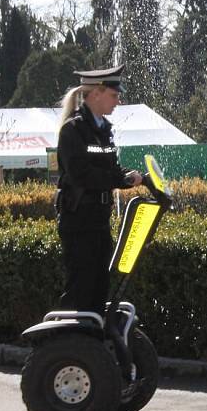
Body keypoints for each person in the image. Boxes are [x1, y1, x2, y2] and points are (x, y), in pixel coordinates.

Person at [55, 64, 143, 316]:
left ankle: (92, 346)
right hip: (79, 222)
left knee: (99, 286)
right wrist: (120, 180)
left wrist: (134, 176)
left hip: (98, 220)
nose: (118, 100)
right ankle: (68, 348)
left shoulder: (104, 130)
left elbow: (112, 169)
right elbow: (81, 175)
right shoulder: (73, 130)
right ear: (96, 94)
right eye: (114, 95)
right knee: (81, 287)